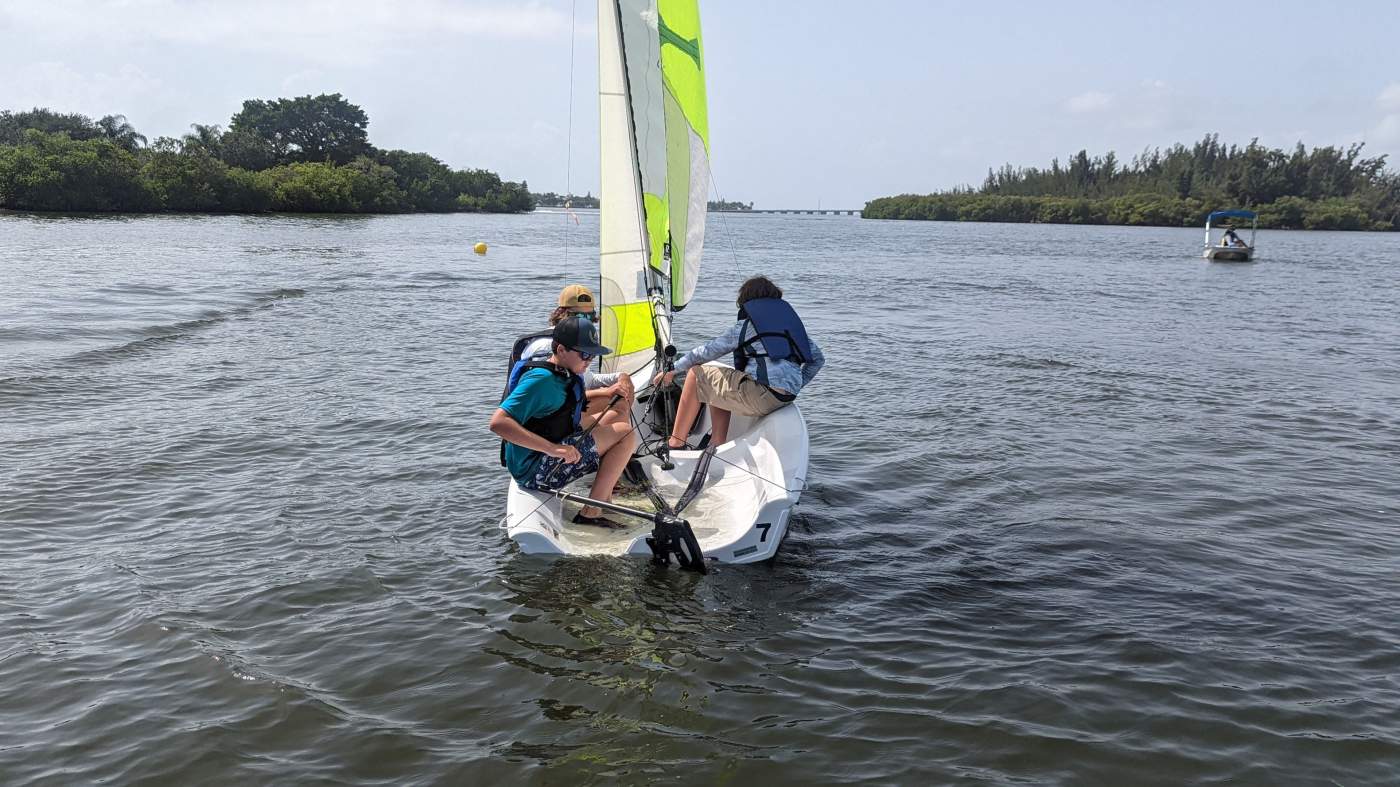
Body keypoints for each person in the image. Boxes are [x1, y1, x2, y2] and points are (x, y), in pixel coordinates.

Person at [492, 316, 638, 528]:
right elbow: (498, 423)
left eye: (593, 355)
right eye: (585, 354)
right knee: (625, 433)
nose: (589, 361)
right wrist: (554, 449)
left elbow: (566, 400)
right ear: (560, 350)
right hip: (536, 470)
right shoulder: (539, 380)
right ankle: (591, 512)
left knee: (617, 413)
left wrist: (606, 392)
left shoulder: (566, 371)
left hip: (548, 450)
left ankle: (604, 497)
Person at [652, 275, 824, 448]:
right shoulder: (790, 328)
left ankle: (675, 443)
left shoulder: (747, 326)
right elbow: (818, 360)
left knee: (696, 375)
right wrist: (795, 385)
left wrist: (673, 369)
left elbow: (707, 351)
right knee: (719, 377)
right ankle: (716, 441)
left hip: (761, 396)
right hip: (785, 398)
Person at [518, 284, 633, 430]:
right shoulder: (549, 346)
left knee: (624, 389)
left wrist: (620, 377)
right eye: (579, 316)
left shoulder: (577, 344)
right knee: (619, 407)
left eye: (590, 317)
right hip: (546, 421)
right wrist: (605, 392)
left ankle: (601, 444)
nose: (585, 322)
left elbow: (588, 380)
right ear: (562, 314)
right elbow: (554, 393)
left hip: (567, 409)